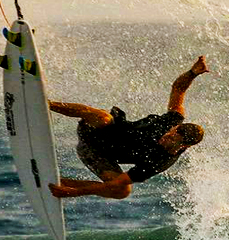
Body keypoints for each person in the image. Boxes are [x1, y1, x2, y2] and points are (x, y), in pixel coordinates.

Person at [47, 56, 209, 200]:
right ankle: (48, 105)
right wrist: (192, 73)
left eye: (172, 140)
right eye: (170, 133)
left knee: (122, 191)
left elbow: (117, 182)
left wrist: (75, 193)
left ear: (184, 146)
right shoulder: (173, 120)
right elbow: (179, 89)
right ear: (175, 127)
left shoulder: (159, 161)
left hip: (98, 155)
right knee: (104, 117)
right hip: (94, 130)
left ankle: (61, 183)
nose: (166, 137)